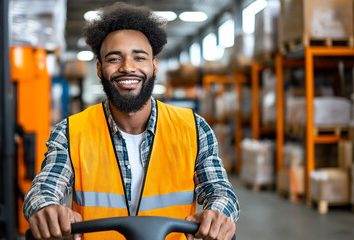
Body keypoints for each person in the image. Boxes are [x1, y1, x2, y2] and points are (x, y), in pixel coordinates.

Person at [23, 2, 240, 240]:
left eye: (139, 58)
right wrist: (46, 208)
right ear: (99, 69)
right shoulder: (71, 132)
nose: (128, 67)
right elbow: (44, 188)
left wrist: (219, 213)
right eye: (114, 59)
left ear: (154, 66)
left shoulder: (194, 129)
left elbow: (221, 192)